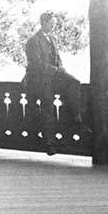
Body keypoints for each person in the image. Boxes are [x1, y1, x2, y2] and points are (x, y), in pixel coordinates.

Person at [22, 11, 86, 156]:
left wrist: (61, 67)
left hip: (53, 76)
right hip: (40, 80)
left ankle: (76, 116)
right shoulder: (33, 41)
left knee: (74, 82)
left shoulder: (52, 39)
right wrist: (55, 70)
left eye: (54, 24)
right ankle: (49, 143)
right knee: (48, 109)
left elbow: (57, 57)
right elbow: (35, 64)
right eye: (51, 24)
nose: (53, 26)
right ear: (43, 23)